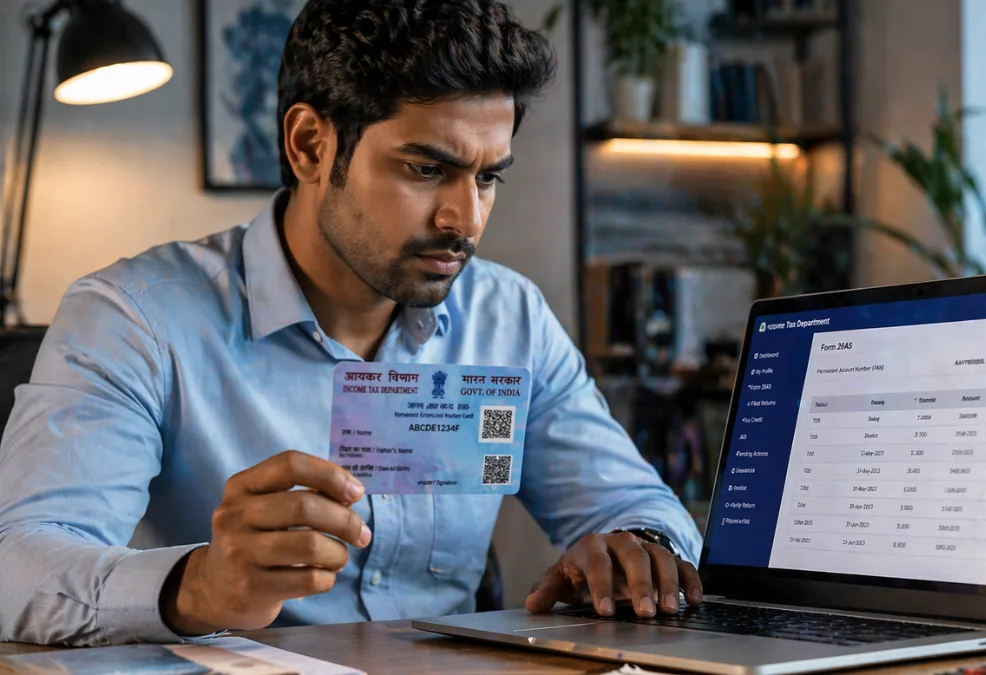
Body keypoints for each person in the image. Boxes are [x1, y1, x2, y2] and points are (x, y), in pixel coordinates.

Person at [0, 0, 703, 647]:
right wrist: (201, 584)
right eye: (427, 168)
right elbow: (18, 568)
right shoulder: (137, 318)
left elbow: (641, 505)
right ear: (310, 145)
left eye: (488, 177)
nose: (467, 220)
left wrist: (636, 549)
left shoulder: (510, 318)